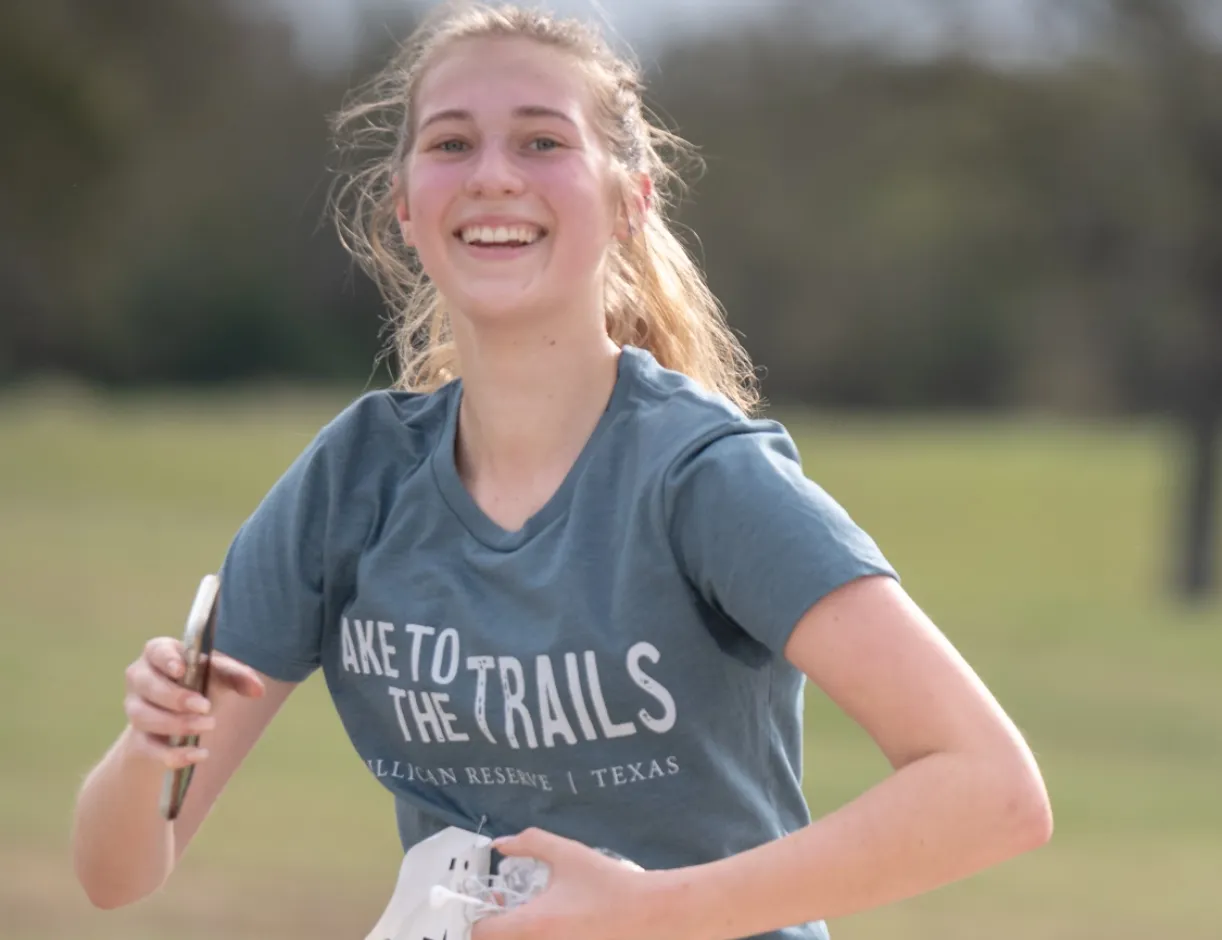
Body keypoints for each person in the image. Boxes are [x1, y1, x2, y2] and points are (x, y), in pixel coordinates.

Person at [68, 5, 1052, 939]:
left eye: (542, 140)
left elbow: (992, 790)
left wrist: (651, 911)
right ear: (404, 206)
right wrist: (154, 748)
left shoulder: (700, 477)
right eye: (452, 143)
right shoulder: (354, 480)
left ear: (630, 200)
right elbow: (117, 874)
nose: (493, 175)